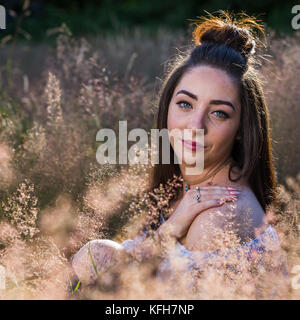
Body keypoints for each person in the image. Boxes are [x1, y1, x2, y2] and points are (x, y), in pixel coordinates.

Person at [71, 10, 289, 298]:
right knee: (94, 257)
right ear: (167, 104)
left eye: (219, 113)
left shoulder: (218, 220)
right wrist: (170, 229)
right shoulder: (189, 189)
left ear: (240, 128)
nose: (194, 126)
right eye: (186, 104)